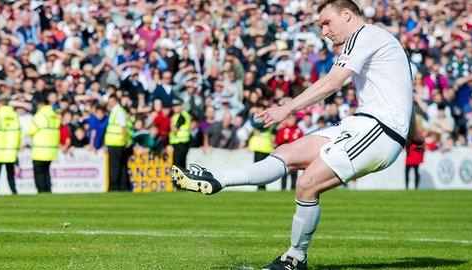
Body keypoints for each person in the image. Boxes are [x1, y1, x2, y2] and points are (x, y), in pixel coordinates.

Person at [171, 1, 413, 269]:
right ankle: (217, 179)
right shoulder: (380, 41)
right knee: (286, 153)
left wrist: (286, 108)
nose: (324, 31)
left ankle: (295, 257)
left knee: (307, 183)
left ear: (346, 15)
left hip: (379, 130)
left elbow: (333, 82)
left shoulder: (365, 35)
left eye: (326, 22)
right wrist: (415, 135)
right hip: (363, 124)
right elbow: (403, 94)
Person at [0, 94, 21, 195]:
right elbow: (18, 132)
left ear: (0, 103)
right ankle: (14, 192)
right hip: (10, 149)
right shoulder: (14, 115)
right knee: (10, 174)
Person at [27, 97, 60, 193]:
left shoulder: (40, 115)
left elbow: (30, 131)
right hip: (51, 150)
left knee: (39, 173)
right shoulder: (53, 115)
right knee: (46, 172)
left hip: (40, 150)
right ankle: (48, 191)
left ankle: (41, 192)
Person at [104, 95, 132, 191]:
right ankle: (123, 186)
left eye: (111, 101)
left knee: (115, 166)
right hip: (115, 142)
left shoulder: (118, 111)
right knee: (121, 165)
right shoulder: (116, 111)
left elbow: (123, 127)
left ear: (115, 101)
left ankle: (114, 187)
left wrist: (125, 141)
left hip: (117, 143)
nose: (109, 103)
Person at [169, 98, 191, 169]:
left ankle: (177, 180)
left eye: (176, 106)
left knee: (177, 165)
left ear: (181, 106)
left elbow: (174, 129)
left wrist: (171, 124)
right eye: (173, 106)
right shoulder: (178, 115)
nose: (174, 108)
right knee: (181, 165)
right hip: (179, 143)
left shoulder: (182, 115)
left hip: (181, 143)